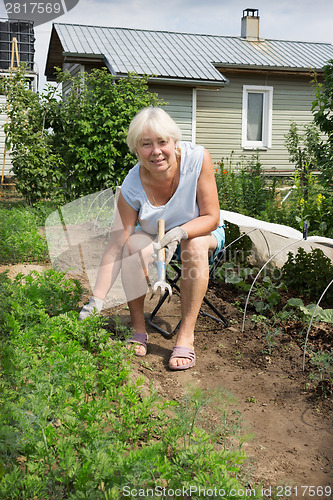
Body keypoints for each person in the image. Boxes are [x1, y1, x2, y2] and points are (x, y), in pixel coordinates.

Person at [79, 106, 225, 370]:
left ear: (174, 142)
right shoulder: (132, 185)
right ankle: (138, 329)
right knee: (133, 245)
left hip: (201, 233)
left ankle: (186, 336)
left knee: (194, 245)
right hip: (153, 237)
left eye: (162, 142)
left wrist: (180, 232)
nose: (156, 151)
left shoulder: (197, 159)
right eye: (146, 144)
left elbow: (212, 216)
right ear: (136, 149)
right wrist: (96, 300)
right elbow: (116, 244)